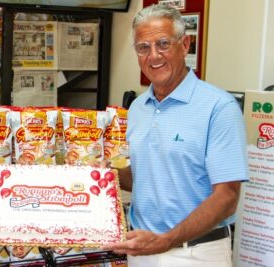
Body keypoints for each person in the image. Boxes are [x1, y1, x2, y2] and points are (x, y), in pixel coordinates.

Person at [102, 4, 248, 267]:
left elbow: (227, 197)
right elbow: (145, 180)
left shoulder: (218, 107)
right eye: (143, 47)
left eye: (163, 44)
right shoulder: (137, 108)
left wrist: (167, 239)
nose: (153, 56)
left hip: (196, 253)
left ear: (185, 45)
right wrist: (102, 172)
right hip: (140, 248)